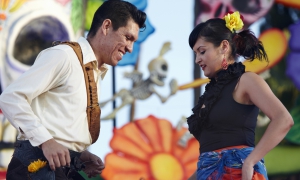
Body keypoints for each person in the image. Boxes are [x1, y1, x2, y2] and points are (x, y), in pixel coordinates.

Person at [0, 0, 146, 179]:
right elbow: (10, 97)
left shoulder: (94, 71)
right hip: (36, 167)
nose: (130, 48)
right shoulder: (64, 56)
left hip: (62, 168)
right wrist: (46, 141)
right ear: (106, 26)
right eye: (128, 37)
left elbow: (60, 127)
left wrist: (80, 155)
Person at [187, 11, 294, 180]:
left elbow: (284, 119)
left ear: (224, 46)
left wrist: (251, 161)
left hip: (238, 173)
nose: (197, 59)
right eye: (195, 54)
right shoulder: (209, 97)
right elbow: (209, 160)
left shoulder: (246, 81)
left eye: (202, 51)